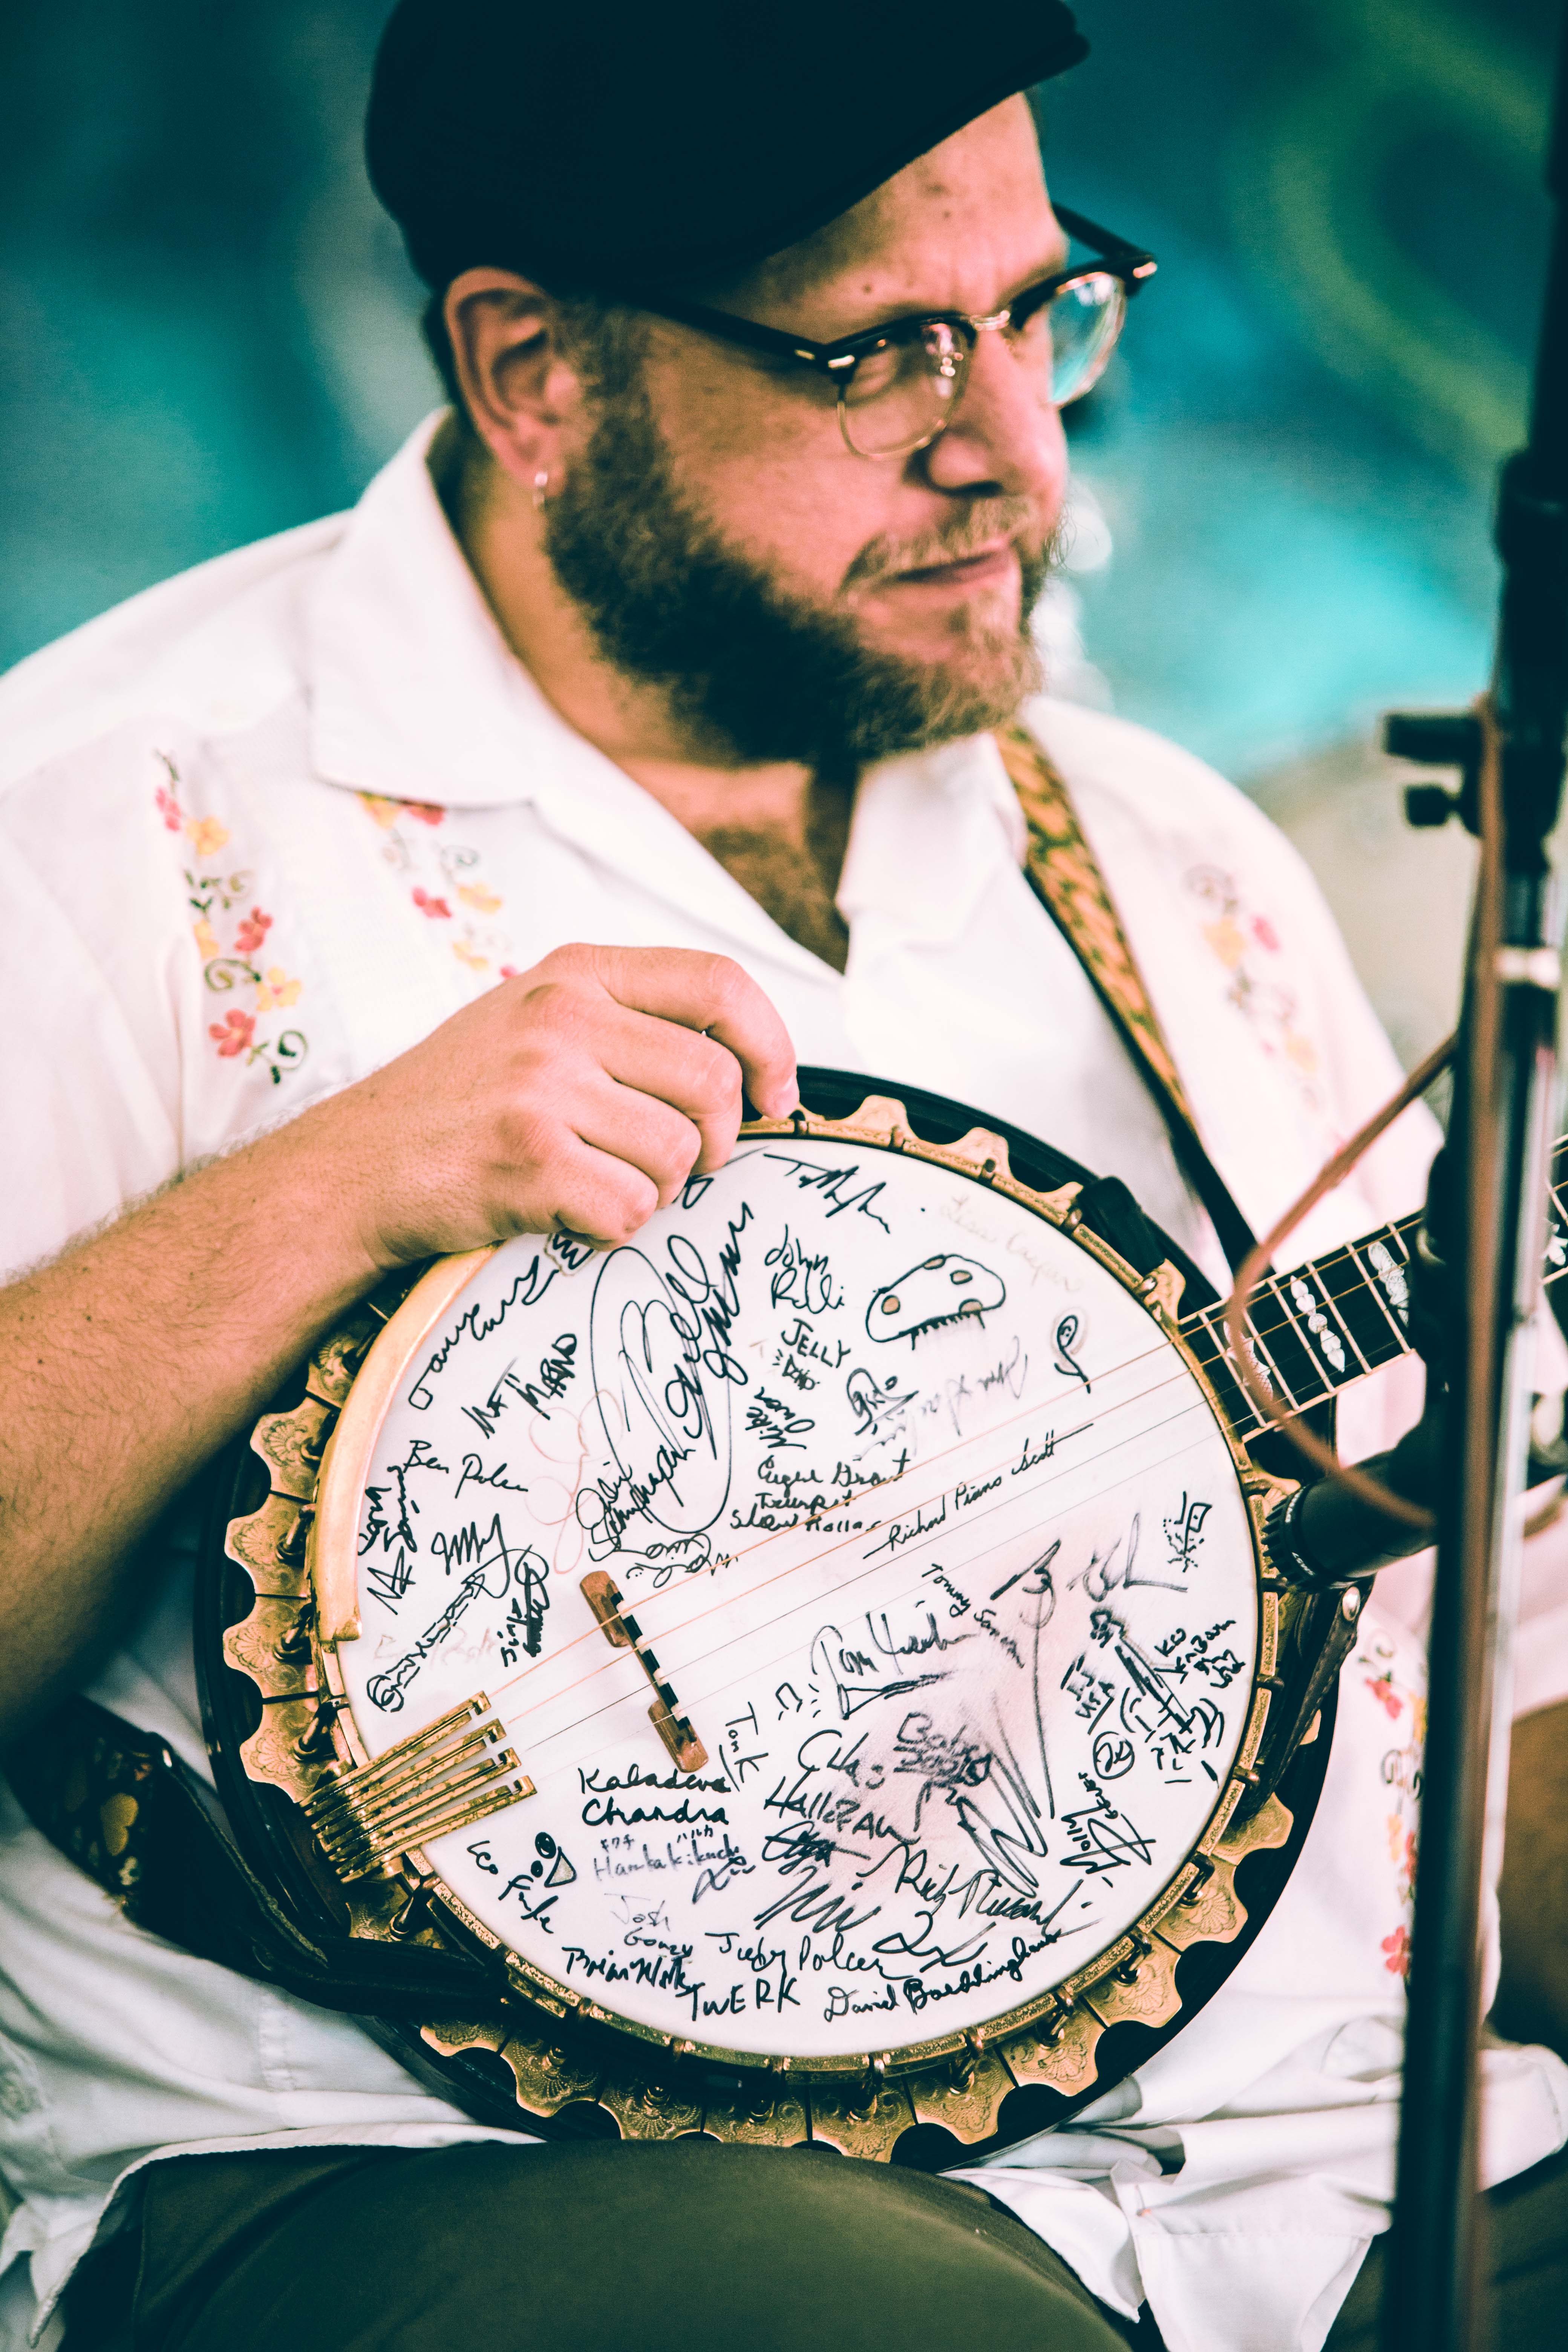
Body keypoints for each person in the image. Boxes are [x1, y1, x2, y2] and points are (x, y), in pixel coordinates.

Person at [1, 5, 1565, 2347]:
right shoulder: (117, 822)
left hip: (1327, 2168)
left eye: (1043, 312)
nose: (1016, 445)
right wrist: (328, 1192)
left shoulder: (1174, 869)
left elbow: (1502, 1698)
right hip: (470, 2178)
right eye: (882, 355)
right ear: (535, 370)